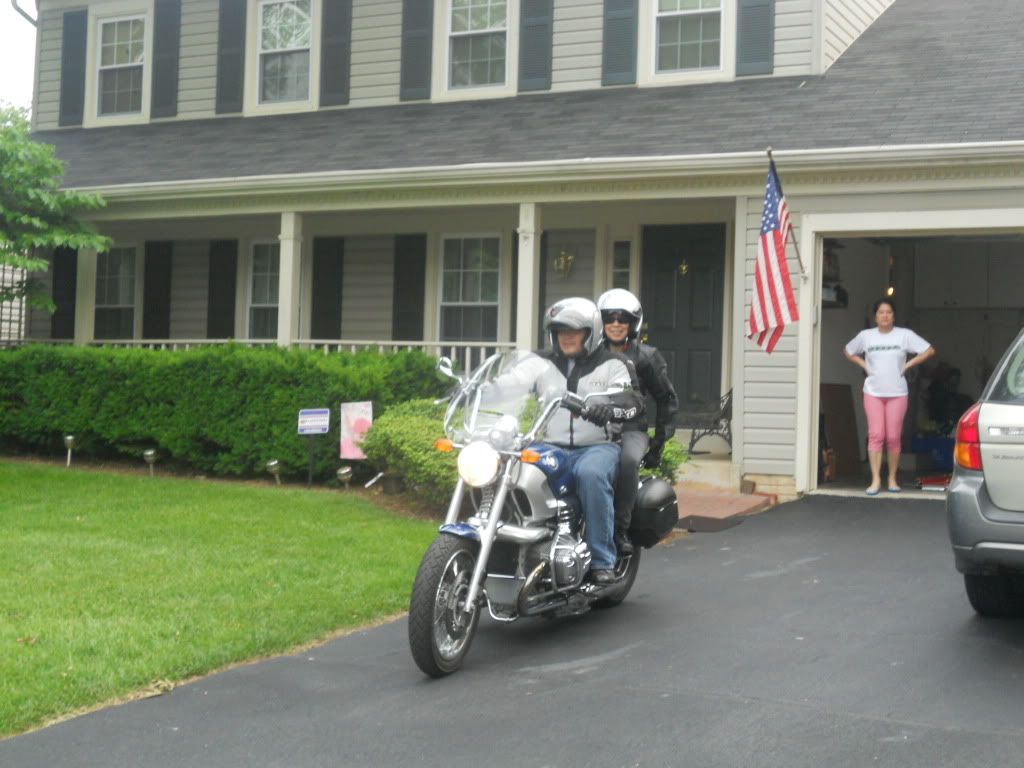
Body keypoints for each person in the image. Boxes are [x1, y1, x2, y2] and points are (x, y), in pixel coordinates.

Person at [489, 297, 644, 583]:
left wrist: (609, 408)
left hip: (597, 447)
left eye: (574, 331)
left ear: (591, 332)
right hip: (550, 445)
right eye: (560, 331)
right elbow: (510, 383)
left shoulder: (614, 364)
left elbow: (630, 400)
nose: (567, 337)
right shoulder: (541, 363)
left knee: (591, 474)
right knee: (511, 470)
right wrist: (483, 390)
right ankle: (511, 548)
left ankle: (602, 560)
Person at [596, 288, 679, 557]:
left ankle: (620, 530)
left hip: (631, 428)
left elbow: (666, 399)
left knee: (628, 461)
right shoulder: (591, 355)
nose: (616, 323)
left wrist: (658, 443)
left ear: (633, 323)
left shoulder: (646, 357)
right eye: (609, 318)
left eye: (623, 318)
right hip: (594, 426)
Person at [844, 298, 935, 495]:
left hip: (897, 393)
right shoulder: (866, 336)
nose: (885, 315)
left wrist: (909, 364)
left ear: (894, 316)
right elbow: (848, 351)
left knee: (893, 437)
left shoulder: (904, 335)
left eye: (889, 312)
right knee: (876, 435)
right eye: (881, 312)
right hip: (873, 392)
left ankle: (892, 478)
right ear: (875, 317)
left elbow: (929, 350)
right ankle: (875, 479)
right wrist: (864, 365)